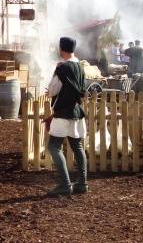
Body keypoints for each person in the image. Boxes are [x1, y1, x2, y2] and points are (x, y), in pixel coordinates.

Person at [45, 37, 88, 195]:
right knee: (77, 146)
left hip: (63, 112)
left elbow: (54, 90)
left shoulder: (62, 68)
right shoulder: (80, 66)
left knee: (54, 146)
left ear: (61, 48)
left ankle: (65, 184)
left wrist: (51, 87)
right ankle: (82, 184)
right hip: (76, 110)